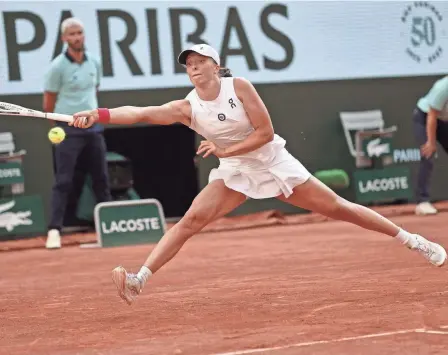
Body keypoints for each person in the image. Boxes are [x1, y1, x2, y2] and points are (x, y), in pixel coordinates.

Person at [71, 44, 447, 305]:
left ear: (215, 65)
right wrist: (97, 114)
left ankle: (413, 240)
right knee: (190, 220)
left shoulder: (240, 87)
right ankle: (139, 280)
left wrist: (224, 150)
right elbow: (139, 113)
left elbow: (265, 133)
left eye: (200, 61)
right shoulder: (187, 107)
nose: (194, 67)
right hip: (235, 170)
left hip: (271, 161)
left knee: (339, 208)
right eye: (188, 64)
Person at [43, 17, 111, 249]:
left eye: (79, 33)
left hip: (92, 127)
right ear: (64, 39)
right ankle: (54, 230)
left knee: (101, 178)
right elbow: (48, 103)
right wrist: (59, 126)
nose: (76, 37)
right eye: (71, 34)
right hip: (67, 129)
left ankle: (109, 227)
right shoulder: (56, 67)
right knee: (63, 181)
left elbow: (95, 90)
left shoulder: (95, 62)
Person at [413, 75, 448, 216]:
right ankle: (422, 202)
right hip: (425, 117)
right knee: (428, 154)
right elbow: (432, 116)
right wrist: (431, 142)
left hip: (445, 121)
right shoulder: (443, 87)